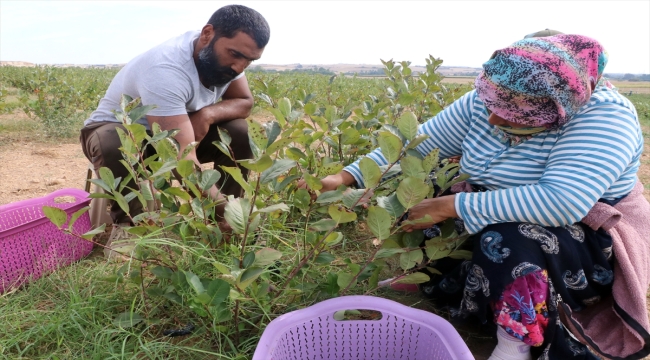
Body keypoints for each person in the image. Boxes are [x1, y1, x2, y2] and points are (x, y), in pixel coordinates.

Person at [303, 35, 650, 359]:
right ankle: (426, 274)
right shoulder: (496, 95)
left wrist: (450, 206)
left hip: (579, 235)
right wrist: (347, 176)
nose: (493, 117)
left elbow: (561, 202)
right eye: (492, 103)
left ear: (557, 111)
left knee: (510, 236)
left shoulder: (606, 119)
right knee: (421, 183)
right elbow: (418, 144)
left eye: (515, 117)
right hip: (497, 208)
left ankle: (514, 341)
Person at [79, 5, 270, 240]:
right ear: (208, 34)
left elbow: (244, 102)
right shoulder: (166, 68)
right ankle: (129, 229)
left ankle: (224, 222)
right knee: (114, 140)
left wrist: (206, 115)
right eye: (235, 55)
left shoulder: (225, 57)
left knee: (240, 132)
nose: (239, 67)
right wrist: (238, 218)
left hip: (178, 133)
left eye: (249, 60)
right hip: (124, 136)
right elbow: (181, 160)